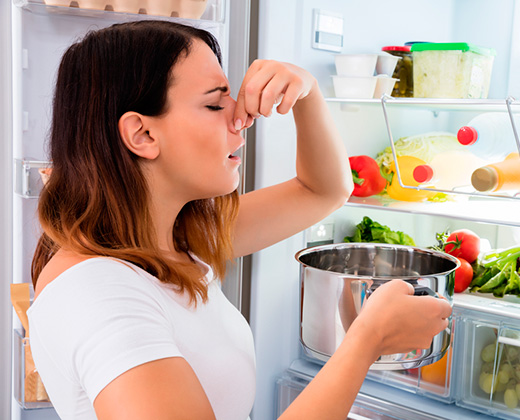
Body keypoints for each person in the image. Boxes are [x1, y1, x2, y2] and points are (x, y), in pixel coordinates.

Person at [27, 20, 452, 420]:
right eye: (215, 104)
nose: (241, 116)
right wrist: (367, 339)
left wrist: (308, 94)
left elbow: (323, 190)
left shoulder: (173, 237)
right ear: (143, 135)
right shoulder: (98, 293)